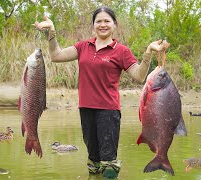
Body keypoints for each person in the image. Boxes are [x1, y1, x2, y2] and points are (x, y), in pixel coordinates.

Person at [34, 6, 170, 179]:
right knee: (93, 160)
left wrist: (148, 52)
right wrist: (51, 32)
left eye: (107, 21)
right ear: (93, 25)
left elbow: (139, 76)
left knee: (109, 162)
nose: (103, 24)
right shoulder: (83, 47)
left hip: (108, 112)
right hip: (85, 109)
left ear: (114, 25)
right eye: (99, 21)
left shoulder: (121, 51)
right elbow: (56, 56)